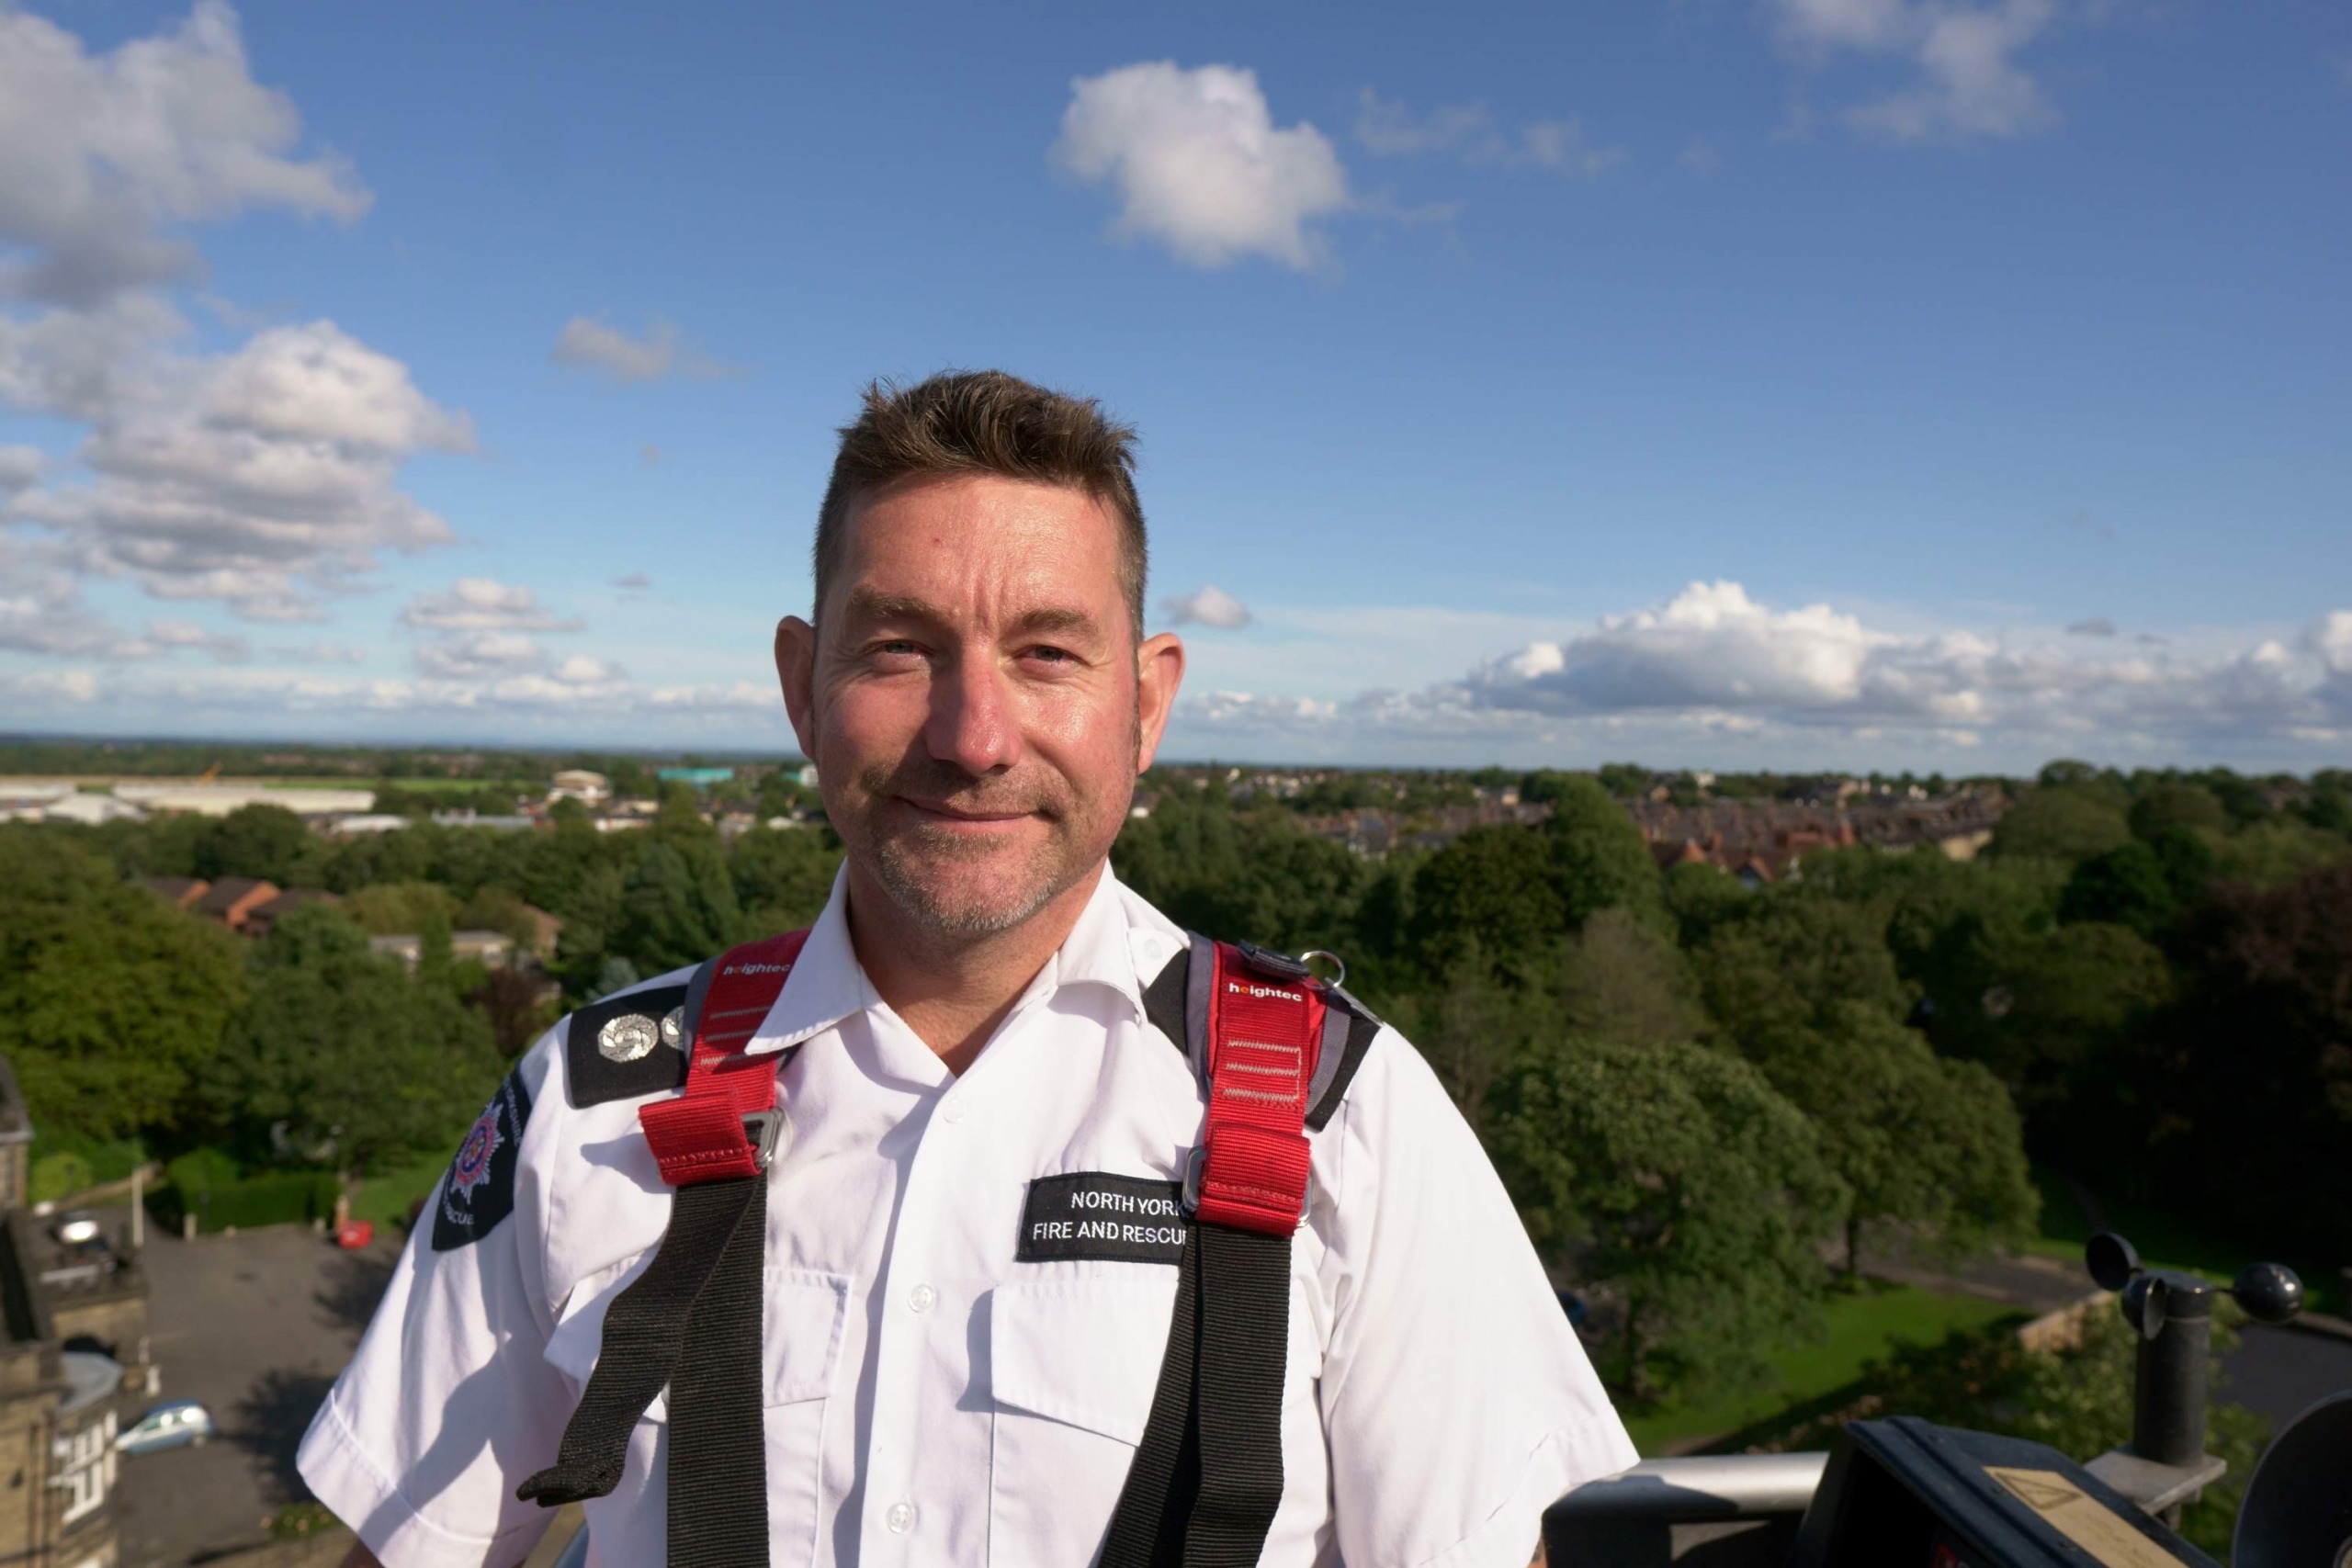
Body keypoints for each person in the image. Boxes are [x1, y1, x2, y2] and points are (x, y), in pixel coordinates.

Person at [300, 370, 1634, 1568]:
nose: (975, 734)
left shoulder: (1342, 1112)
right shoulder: (594, 1107)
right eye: (898, 648)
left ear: (1148, 702)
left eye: (1047, 651)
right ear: (798, 682)